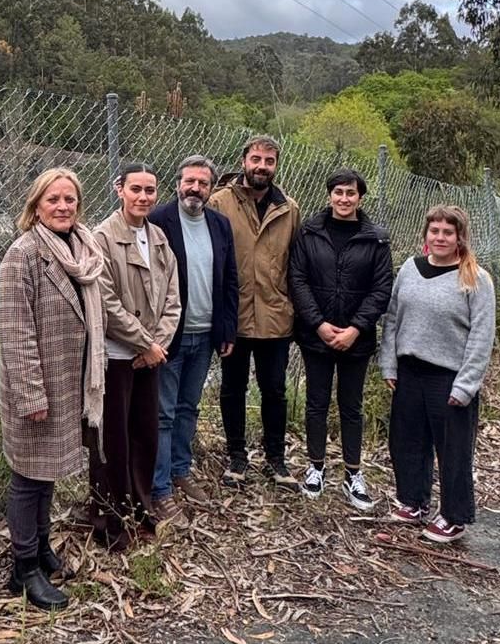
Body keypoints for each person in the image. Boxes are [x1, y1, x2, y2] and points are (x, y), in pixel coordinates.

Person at [0, 168, 107, 609]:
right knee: (28, 477)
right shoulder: (21, 256)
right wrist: (31, 397)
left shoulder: (82, 247)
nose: (63, 207)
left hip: (69, 382)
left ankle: (41, 548)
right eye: (53, 200)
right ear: (36, 206)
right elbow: (15, 332)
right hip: (38, 389)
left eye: (70, 200)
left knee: (47, 476)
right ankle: (22, 569)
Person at [378, 204, 496, 544]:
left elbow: (481, 335)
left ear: (460, 237)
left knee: (453, 449)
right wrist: (389, 363)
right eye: (435, 231)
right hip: (409, 370)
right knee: (407, 441)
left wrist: (467, 384)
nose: (440, 237)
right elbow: (393, 318)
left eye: (448, 232)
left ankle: (453, 516)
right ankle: (413, 501)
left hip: (449, 376)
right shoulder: (410, 270)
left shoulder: (476, 278)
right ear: (425, 235)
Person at [288, 169, 393, 510]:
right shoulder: (309, 232)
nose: (344, 199)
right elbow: (298, 279)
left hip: (356, 340)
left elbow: (381, 289)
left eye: (350, 193)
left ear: (360, 197)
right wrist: (318, 324)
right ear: (329, 195)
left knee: (351, 406)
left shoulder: (376, 238)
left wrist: (356, 329)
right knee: (316, 403)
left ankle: (353, 474)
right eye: (338, 192)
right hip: (316, 336)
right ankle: (315, 468)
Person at [90, 163, 181, 547]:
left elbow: (173, 299)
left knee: (145, 435)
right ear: (119, 190)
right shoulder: (102, 238)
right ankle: (108, 520)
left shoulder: (158, 237)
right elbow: (106, 302)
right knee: (112, 441)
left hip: (150, 358)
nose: (143, 197)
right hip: (116, 357)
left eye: (150, 191)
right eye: (136, 190)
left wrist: (155, 346)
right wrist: (145, 343)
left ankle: (142, 508)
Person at [209, 135, 302, 488]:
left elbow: (296, 264)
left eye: (269, 161)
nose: (262, 166)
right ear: (244, 160)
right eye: (256, 159)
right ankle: (236, 455)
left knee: (274, 390)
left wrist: (293, 308)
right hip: (234, 316)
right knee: (232, 388)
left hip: (276, 316)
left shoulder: (289, 209)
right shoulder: (219, 203)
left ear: (276, 165)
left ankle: (276, 459)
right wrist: (219, 318)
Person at [148, 155, 238, 512]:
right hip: (170, 334)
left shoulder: (220, 224)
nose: (195, 188)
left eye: (202, 183)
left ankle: (180, 470)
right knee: (163, 413)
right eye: (189, 181)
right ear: (178, 183)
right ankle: (159, 487)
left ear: (212, 188)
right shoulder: (159, 221)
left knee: (189, 407)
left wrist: (227, 327)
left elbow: (230, 278)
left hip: (205, 335)